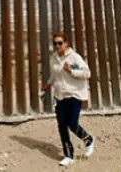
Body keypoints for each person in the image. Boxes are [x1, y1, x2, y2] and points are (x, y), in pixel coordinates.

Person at [41, 32, 95, 166]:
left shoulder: (74, 57)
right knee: (62, 126)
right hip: (60, 96)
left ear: (66, 43)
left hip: (74, 95)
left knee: (72, 123)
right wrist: (47, 85)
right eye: (55, 44)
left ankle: (88, 139)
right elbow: (54, 75)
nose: (57, 46)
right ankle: (68, 155)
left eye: (60, 43)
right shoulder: (54, 58)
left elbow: (87, 73)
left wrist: (71, 71)